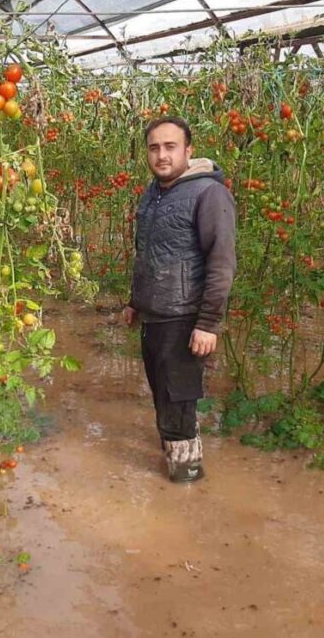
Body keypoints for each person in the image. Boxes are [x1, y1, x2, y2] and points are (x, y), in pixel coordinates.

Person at [123, 116, 236, 483]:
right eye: (154, 147)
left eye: (170, 147)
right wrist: (135, 301)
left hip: (184, 317)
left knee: (178, 400)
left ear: (189, 151)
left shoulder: (208, 193)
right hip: (154, 314)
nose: (162, 155)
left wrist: (208, 324)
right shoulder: (153, 193)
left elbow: (221, 261)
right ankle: (176, 457)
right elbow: (147, 252)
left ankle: (187, 480)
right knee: (163, 394)